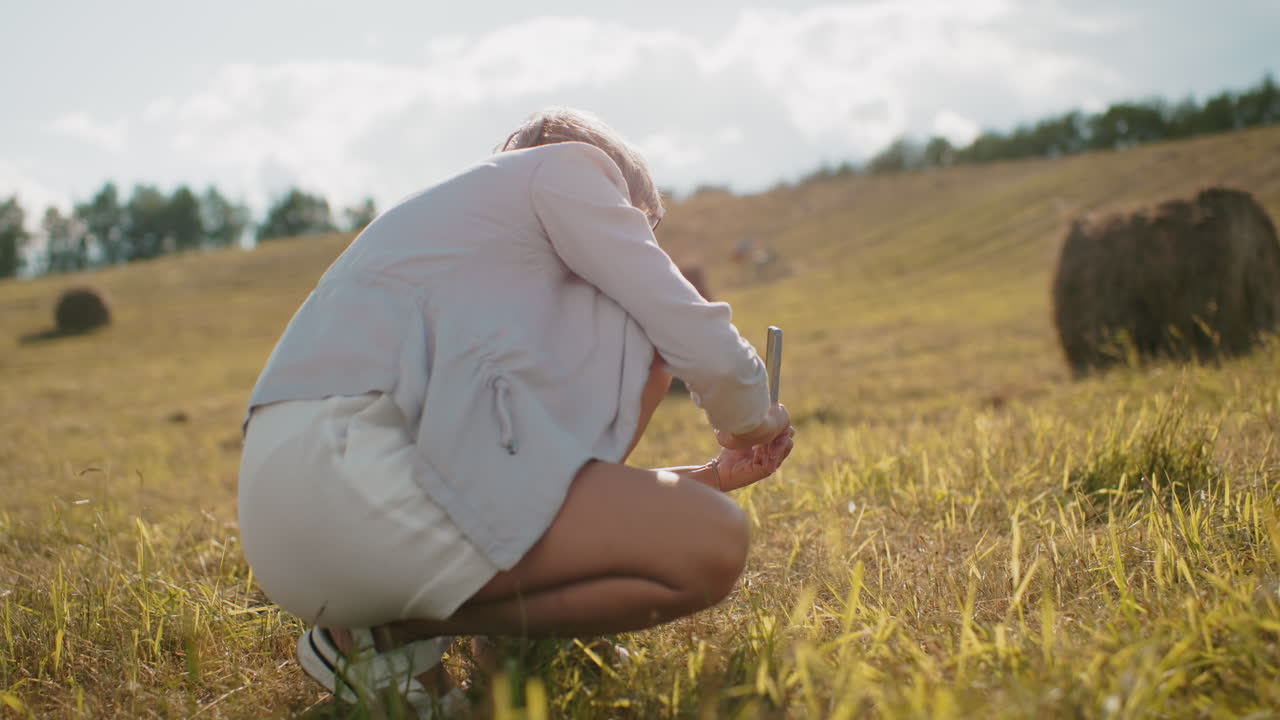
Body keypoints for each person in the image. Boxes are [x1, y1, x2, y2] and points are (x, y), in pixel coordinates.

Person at [237, 107, 796, 714]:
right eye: (644, 223)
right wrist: (752, 418)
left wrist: (712, 476)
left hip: (287, 517)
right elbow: (693, 332)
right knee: (710, 540)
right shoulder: (567, 169)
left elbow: (532, 488)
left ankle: (434, 645)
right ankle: (390, 636)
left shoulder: (459, 260)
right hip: (357, 483)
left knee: (695, 514)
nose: (647, 243)